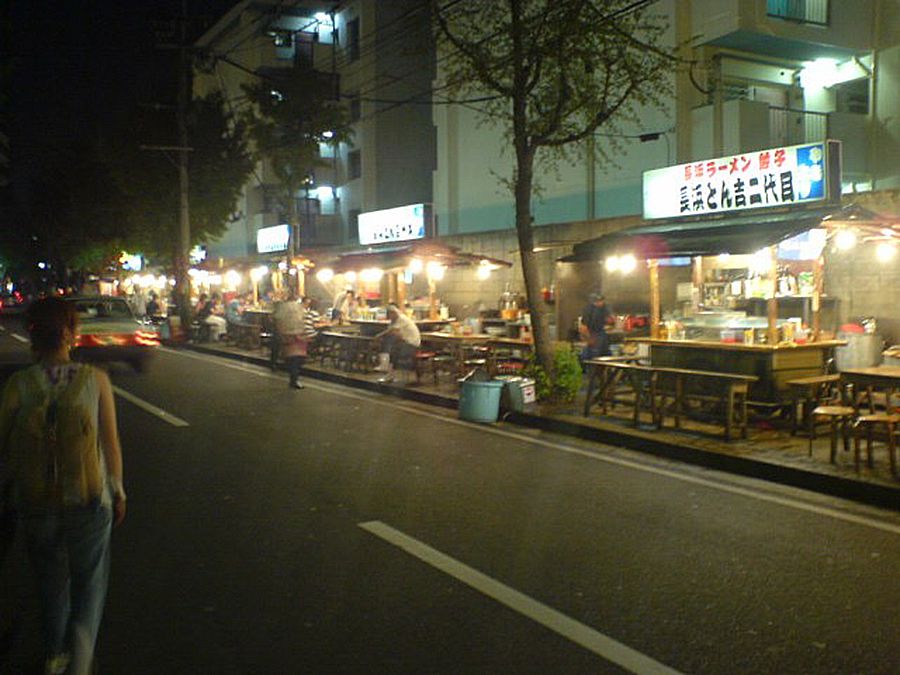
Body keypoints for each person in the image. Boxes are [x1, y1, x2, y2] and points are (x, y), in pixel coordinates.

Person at [0, 297, 126, 675]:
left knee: (50, 580)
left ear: (32, 336)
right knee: (90, 582)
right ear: (71, 333)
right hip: (89, 499)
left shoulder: (19, 384)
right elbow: (110, 443)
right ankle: (82, 658)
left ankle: (54, 655)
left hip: (37, 499)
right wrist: (117, 490)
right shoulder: (95, 380)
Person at [374, 304, 421, 383]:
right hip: (406, 342)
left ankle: (388, 370)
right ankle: (388, 369)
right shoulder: (395, 320)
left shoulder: (401, 319)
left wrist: (379, 336)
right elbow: (394, 333)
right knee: (391, 348)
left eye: (389, 315)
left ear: (393, 313)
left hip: (412, 344)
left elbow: (392, 331)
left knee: (393, 352)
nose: (388, 317)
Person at [273, 291, 308, 389]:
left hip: (289, 334)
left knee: (293, 359)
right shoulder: (298, 307)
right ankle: (294, 379)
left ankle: (293, 378)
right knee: (296, 359)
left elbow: (277, 319)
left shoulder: (282, 307)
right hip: (297, 335)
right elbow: (303, 319)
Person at [579, 293, 612, 361]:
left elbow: (609, 320)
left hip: (601, 335)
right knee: (593, 358)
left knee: (605, 355)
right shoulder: (589, 310)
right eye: (600, 301)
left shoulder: (603, 308)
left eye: (602, 301)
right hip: (593, 335)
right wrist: (589, 339)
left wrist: (609, 320)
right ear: (595, 301)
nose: (602, 303)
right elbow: (583, 327)